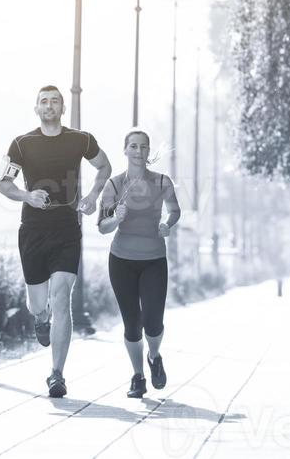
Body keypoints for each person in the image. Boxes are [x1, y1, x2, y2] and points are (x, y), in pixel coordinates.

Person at [0, 85, 112, 398]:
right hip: (32, 229)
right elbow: (3, 183)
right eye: (44, 102)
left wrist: (92, 196)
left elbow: (105, 166)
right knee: (39, 302)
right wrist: (26, 196)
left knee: (61, 297)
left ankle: (57, 374)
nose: (49, 106)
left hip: (66, 228)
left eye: (55, 101)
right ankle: (39, 317)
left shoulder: (81, 140)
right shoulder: (22, 144)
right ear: (37, 109)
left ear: (63, 108)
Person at [98, 129, 180, 398]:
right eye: (133, 146)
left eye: (143, 147)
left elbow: (174, 210)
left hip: (154, 260)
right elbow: (102, 226)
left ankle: (154, 356)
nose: (138, 151)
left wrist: (167, 224)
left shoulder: (161, 182)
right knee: (132, 324)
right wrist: (116, 218)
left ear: (148, 152)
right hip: (121, 260)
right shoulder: (113, 185)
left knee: (153, 322)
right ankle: (138, 377)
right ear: (125, 150)